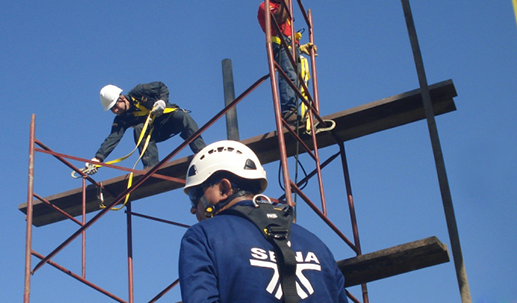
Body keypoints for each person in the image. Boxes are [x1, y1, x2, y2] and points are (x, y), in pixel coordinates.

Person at [179, 140, 348, 302]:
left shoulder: (203, 236)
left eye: (195, 196)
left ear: (224, 188)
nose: (193, 209)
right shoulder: (316, 244)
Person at [85, 82, 206, 174]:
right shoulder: (122, 119)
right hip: (154, 132)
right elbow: (112, 138)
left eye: (115, 106)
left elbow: (161, 87)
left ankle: (201, 152)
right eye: (112, 109)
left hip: (169, 120)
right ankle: (151, 167)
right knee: (139, 128)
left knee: (183, 117)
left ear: (121, 98)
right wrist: (97, 159)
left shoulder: (139, 92)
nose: (115, 111)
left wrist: (162, 102)